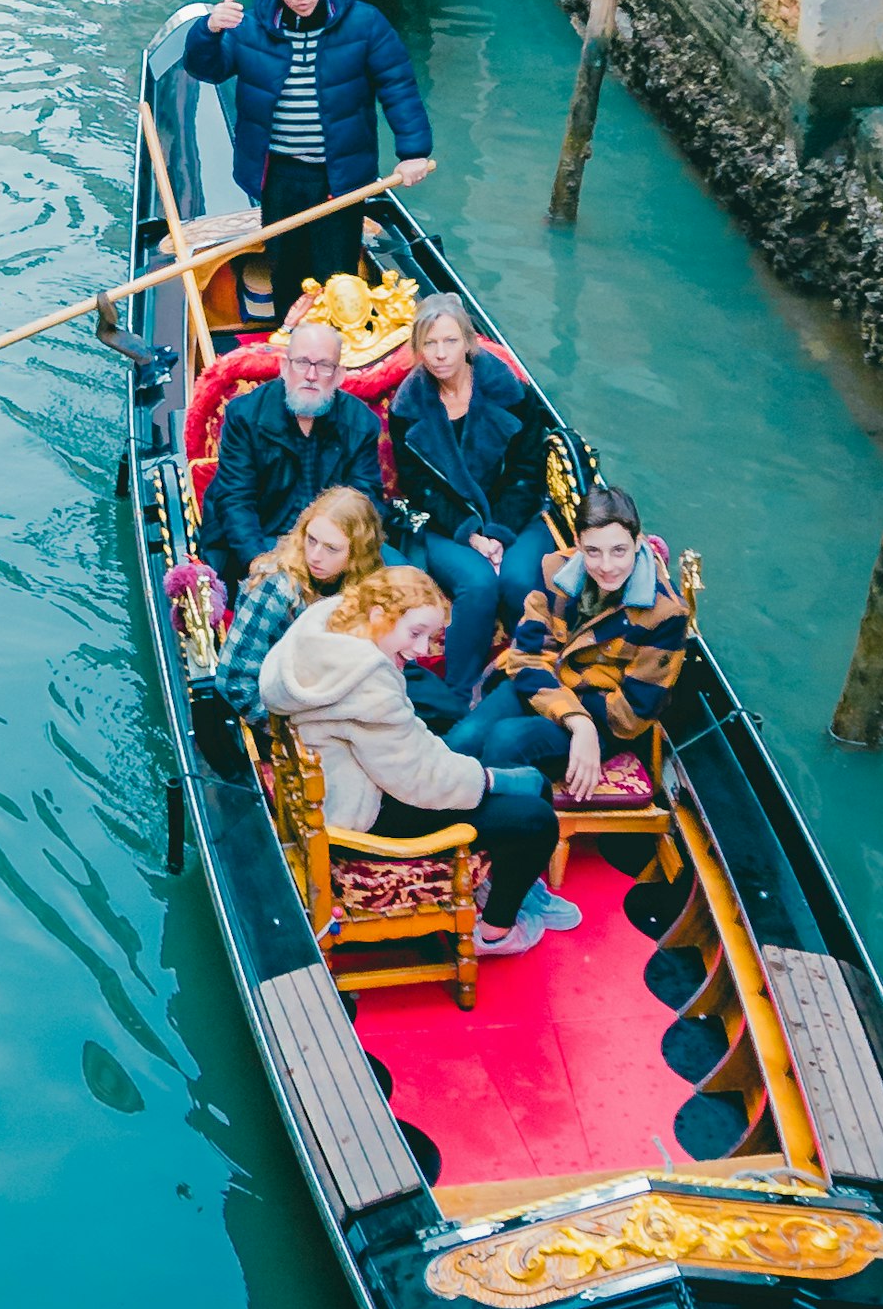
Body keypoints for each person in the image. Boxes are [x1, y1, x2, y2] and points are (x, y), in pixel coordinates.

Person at [255, 564, 579, 946]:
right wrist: (489, 779)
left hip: (346, 792)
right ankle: (495, 932)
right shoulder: (367, 681)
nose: (423, 650)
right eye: (415, 633)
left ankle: (511, 882)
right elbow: (419, 781)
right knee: (537, 815)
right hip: (364, 820)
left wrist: (479, 773)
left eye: (430, 636)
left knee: (518, 780)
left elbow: (401, 747)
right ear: (378, 615)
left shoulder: (328, 633)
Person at [202, 0, 431, 322]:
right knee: (285, 265)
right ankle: (293, 341)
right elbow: (208, 70)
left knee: (338, 271)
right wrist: (208, 30)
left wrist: (414, 151)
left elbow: (398, 86)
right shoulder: (251, 29)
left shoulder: (365, 24)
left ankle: (339, 341)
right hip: (277, 173)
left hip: (339, 173)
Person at [381, 293, 554, 719]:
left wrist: (498, 533)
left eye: (450, 342)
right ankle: (458, 699)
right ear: (419, 348)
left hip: (517, 517)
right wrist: (470, 533)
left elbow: (528, 473)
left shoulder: (512, 394)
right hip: (445, 525)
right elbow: (420, 487)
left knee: (517, 582)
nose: (440, 355)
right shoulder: (408, 407)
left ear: (468, 342)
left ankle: (529, 681)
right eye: (430, 344)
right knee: (477, 585)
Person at [200, 312, 383, 594]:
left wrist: (343, 557)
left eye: (323, 366)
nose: (310, 375)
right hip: (263, 536)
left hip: (331, 546)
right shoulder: (245, 416)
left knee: (394, 583)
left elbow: (364, 500)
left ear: (338, 375)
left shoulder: (361, 423)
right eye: (302, 363)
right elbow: (235, 499)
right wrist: (260, 561)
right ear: (285, 367)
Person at [201, 480, 381, 738]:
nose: (315, 556)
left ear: (356, 555)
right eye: (311, 540)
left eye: (331, 548)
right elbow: (234, 682)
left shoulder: (364, 583)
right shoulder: (276, 588)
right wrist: (290, 733)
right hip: (283, 713)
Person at [534, 482, 699, 750]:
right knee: (469, 736)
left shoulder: (667, 614)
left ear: (637, 542)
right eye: (593, 551)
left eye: (618, 551)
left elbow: (631, 716)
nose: (607, 567)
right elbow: (526, 654)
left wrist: (574, 712)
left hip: (603, 723)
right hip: (547, 690)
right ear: (578, 543)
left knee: (509, 741)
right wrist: (568, 711)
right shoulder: (554, 568)